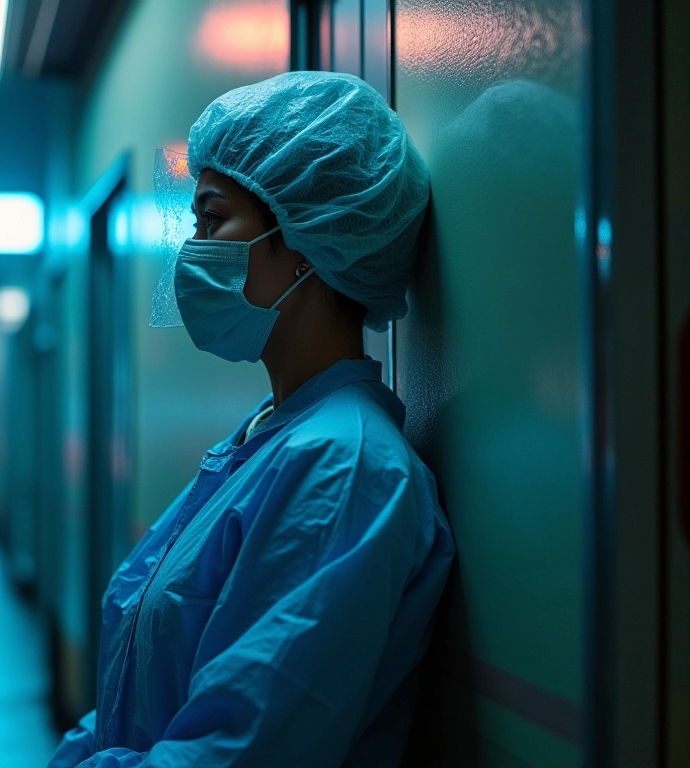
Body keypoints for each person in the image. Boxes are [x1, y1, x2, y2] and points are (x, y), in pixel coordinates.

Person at [47, 72, 456, 767]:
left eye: (212, 220)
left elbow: (237, 748)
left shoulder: (344, 467)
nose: (192, 250)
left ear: (303, 240)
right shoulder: (270, 439)